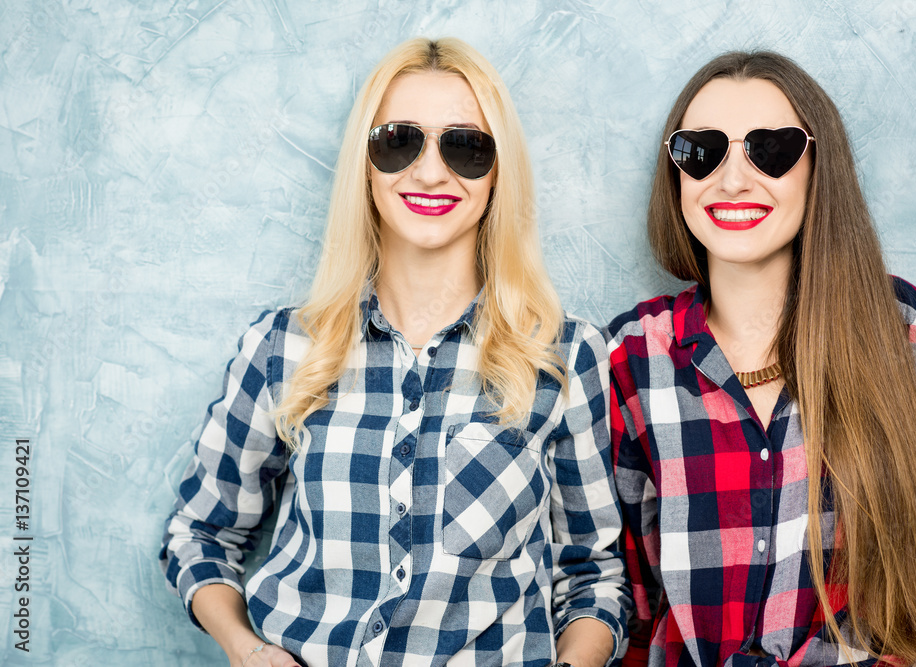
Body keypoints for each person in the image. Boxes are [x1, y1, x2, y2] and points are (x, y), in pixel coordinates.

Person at [161, 37, 629, 667]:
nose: (431, 172)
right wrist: (247, 650)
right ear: (366, 162)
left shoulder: (565, 357)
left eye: (465, 146)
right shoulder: (283, 348)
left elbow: (592, 576)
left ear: (498, 171)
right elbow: (201, 535)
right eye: (398, 141)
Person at [605, 50, 916, 667]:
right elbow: (614, 602)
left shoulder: (913, 339)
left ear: (819, 167)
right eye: (701, 151)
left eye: (771, 149)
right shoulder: (631, 357)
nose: (733, 180)